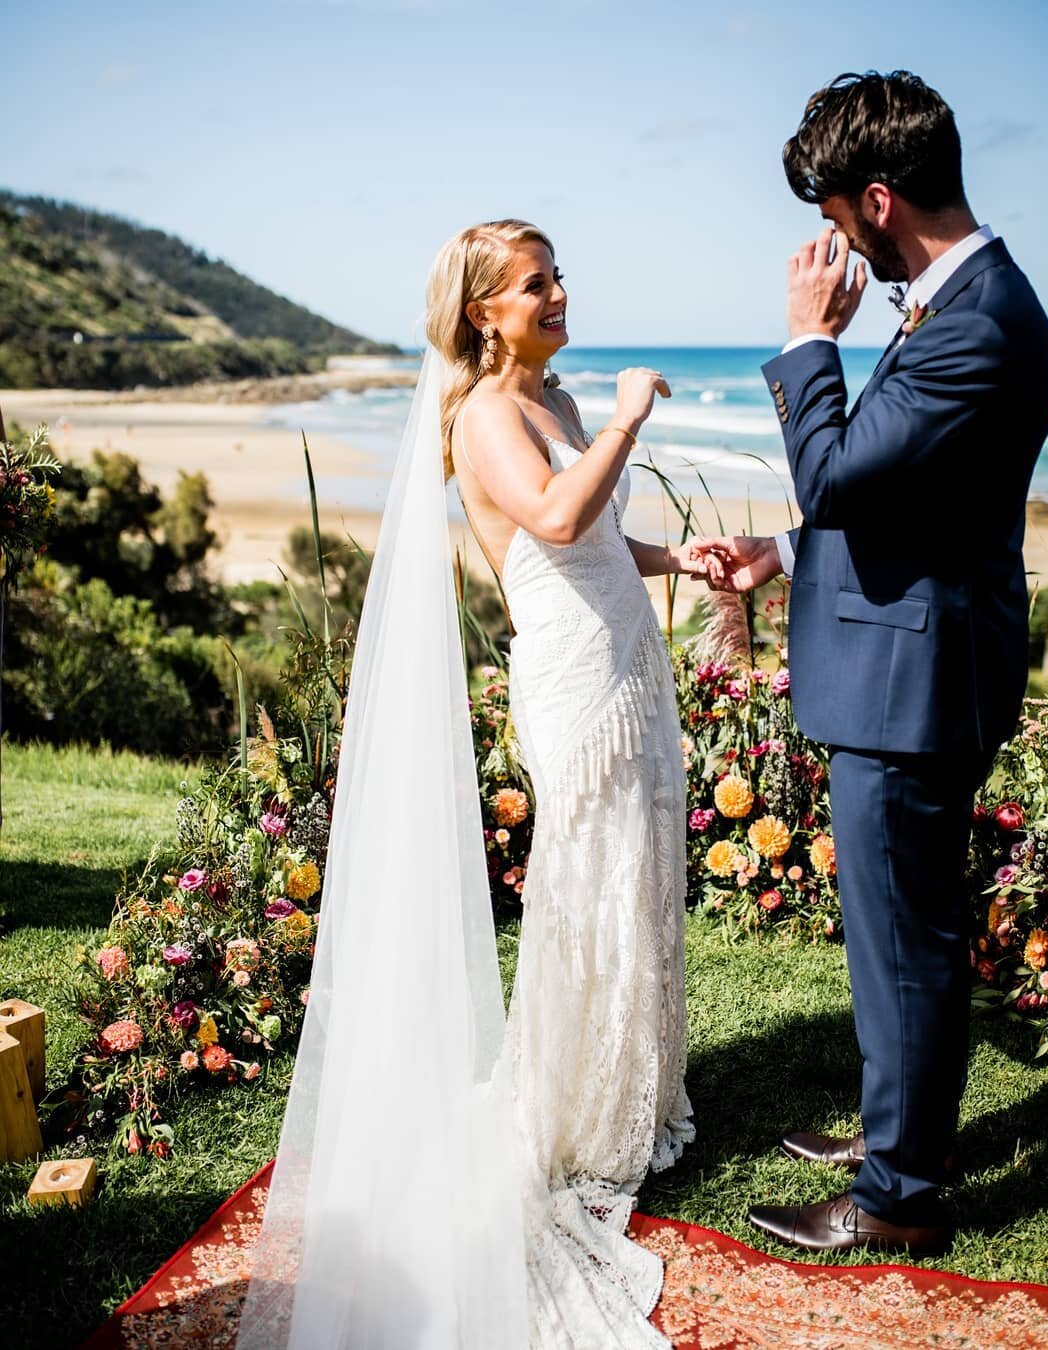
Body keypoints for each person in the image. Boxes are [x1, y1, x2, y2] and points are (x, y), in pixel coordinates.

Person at [237, 218, 717, 1348]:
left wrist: (670, 558)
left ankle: (634, 1097)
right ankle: (578, 1117)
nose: (558, 292)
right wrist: (636, 415)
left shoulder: (548, 398)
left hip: (622, 657)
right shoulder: (489, 415)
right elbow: (548, 517)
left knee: (639, 871)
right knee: (589, 881)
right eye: (534, 283)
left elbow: (589, 538)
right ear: (481, 313)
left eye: (558, 275)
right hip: (571, 680)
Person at [694, 71, 1048, 1256]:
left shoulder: (982, 321)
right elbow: (909, 501)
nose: (830, 239)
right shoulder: (961, 303)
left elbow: (840, 470)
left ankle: (898, 1198)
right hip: (907, 661)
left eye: (837, 214)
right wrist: (786, 552)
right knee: (897, 928)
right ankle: (899, 1130)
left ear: (883, 199)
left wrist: (810, 339)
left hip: (916, 684)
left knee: (906, 938)